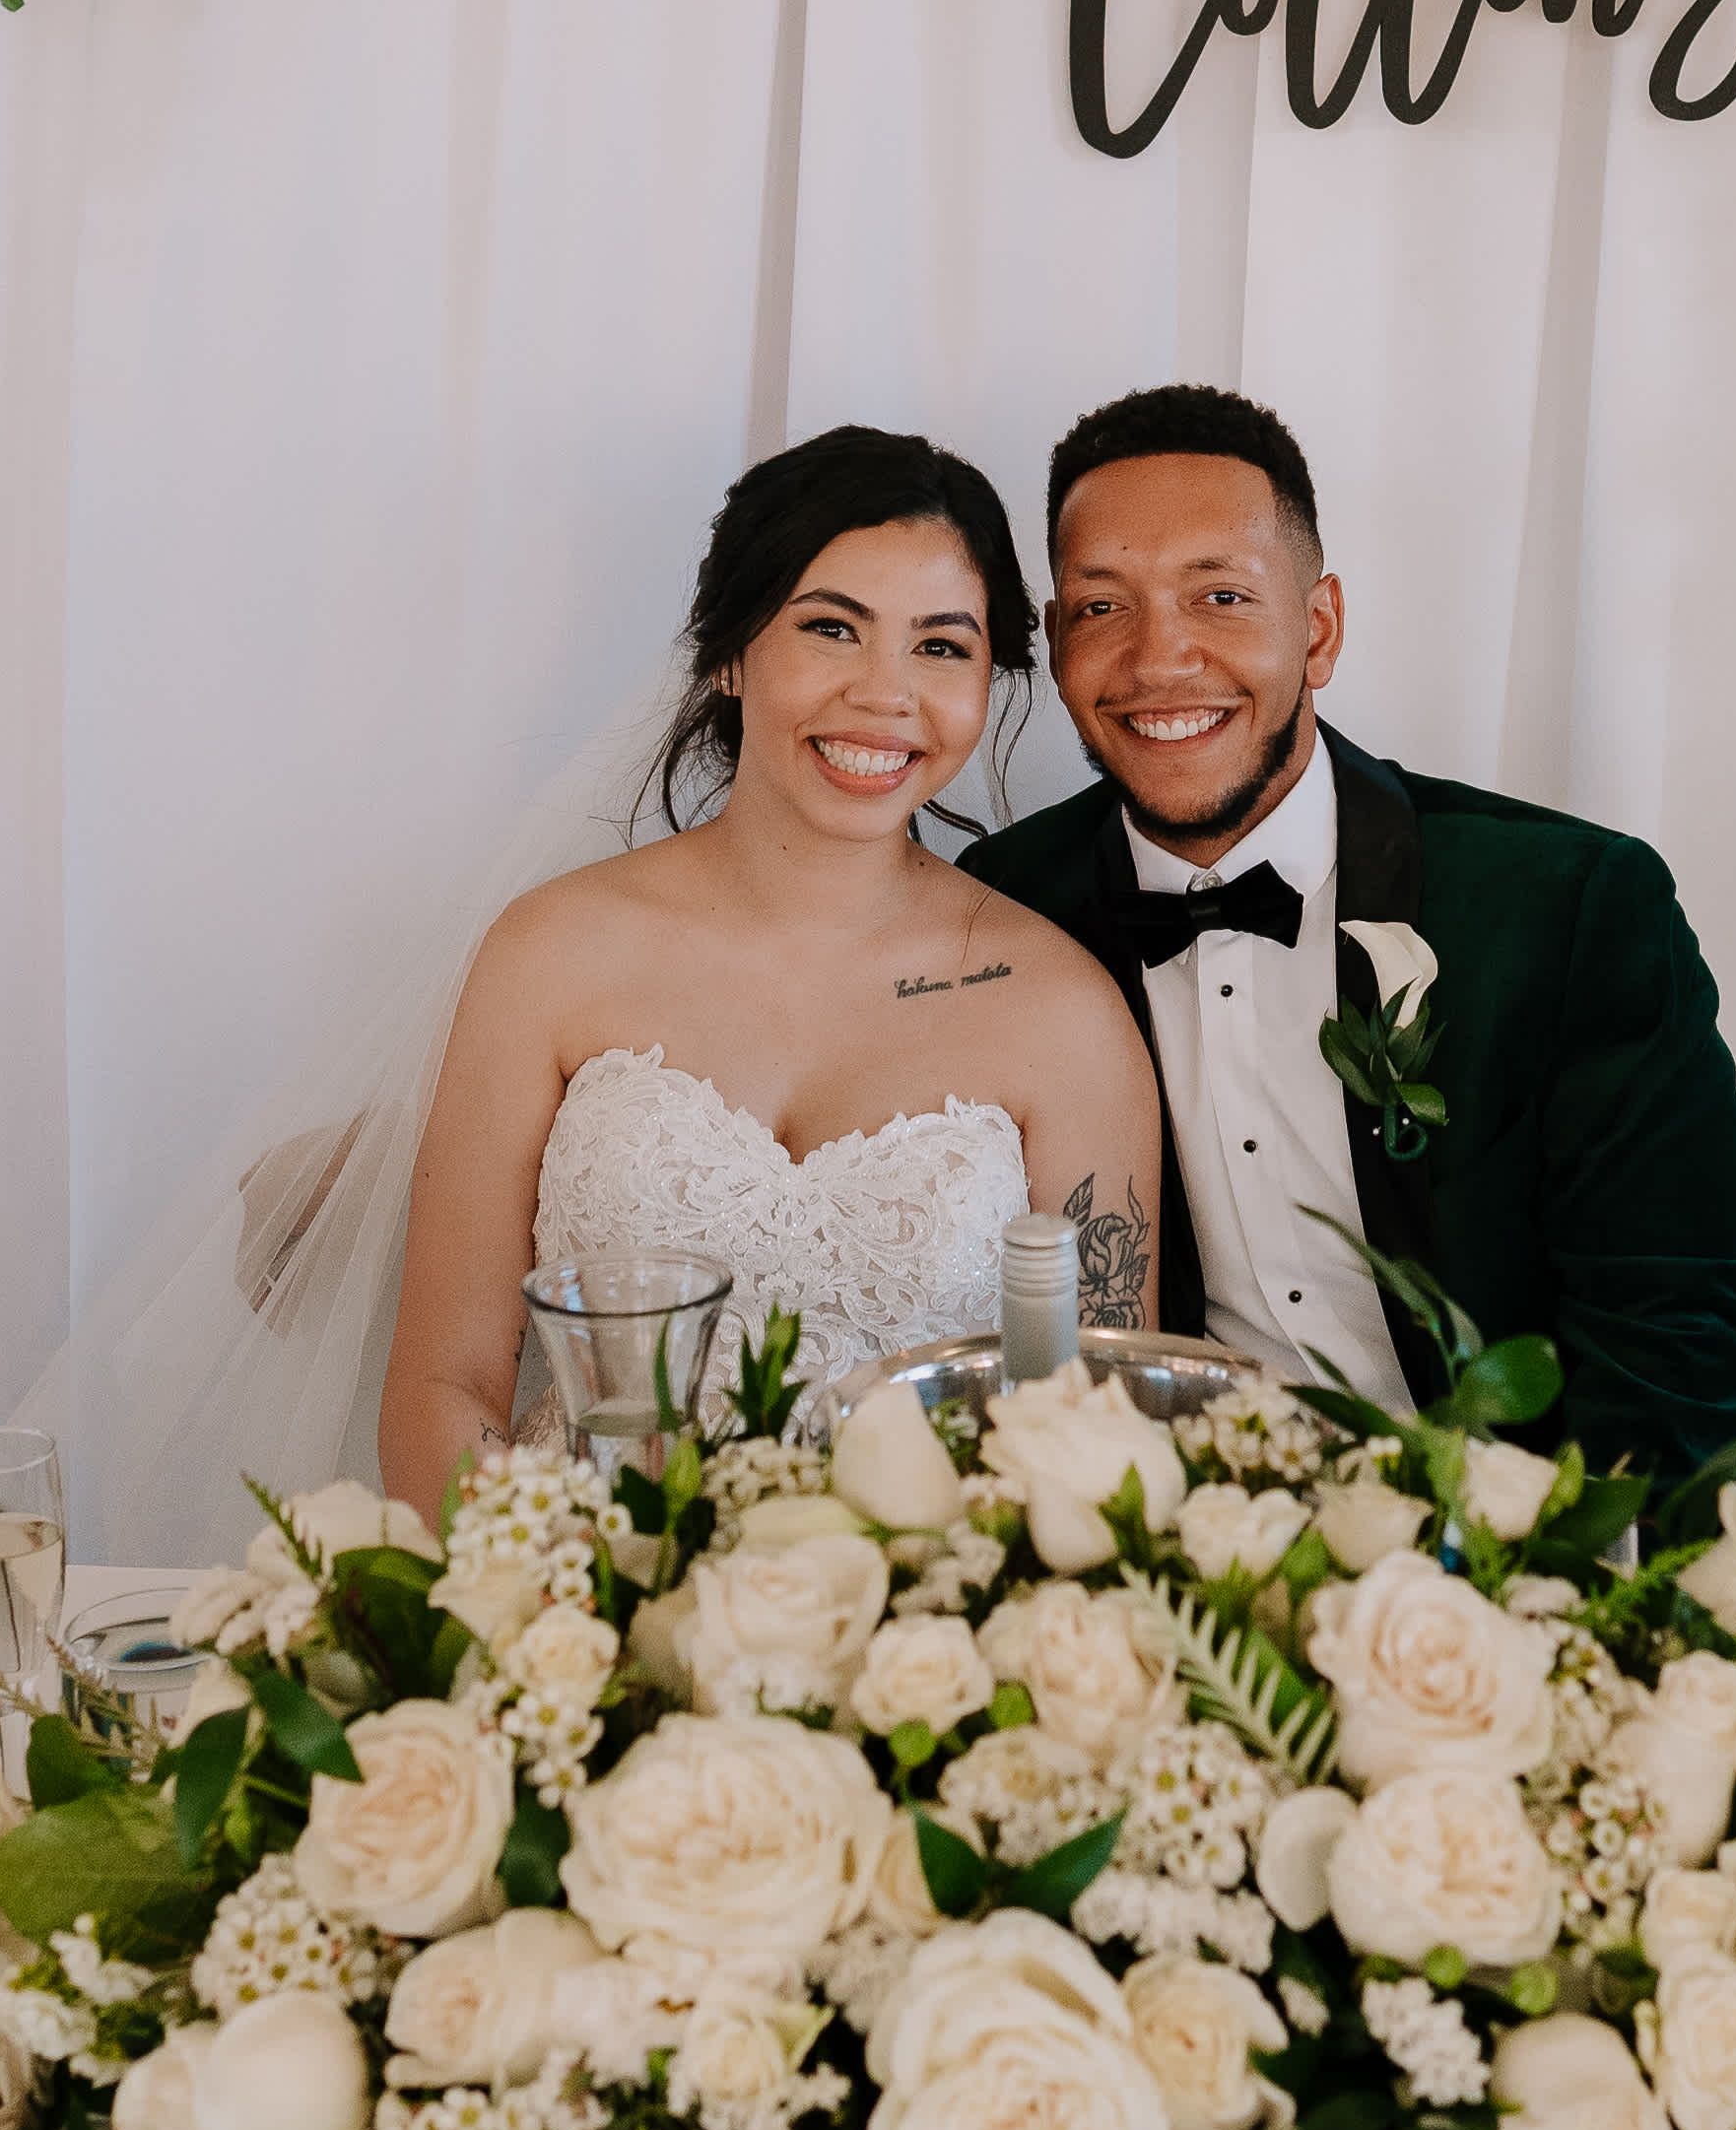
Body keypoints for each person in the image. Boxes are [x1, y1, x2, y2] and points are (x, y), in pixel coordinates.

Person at [967, 381, 1736, 1483]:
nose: (1159, 661)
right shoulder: (1001, 911)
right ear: (1058, 640)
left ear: (1319, 629)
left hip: (1515, 1535)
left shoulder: (1573, 907)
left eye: (1220, 597)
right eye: (1103, 608)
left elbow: (1684, 1347)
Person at [375, 427, 1159, 1508]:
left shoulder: (1061, 1009)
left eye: (941, 647)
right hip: (581, 1590)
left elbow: (1099, 1422)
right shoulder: (548, 954)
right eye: (832, 629)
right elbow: (443, 1382)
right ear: (731, 653)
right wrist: (541, 1587)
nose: (885, 694)